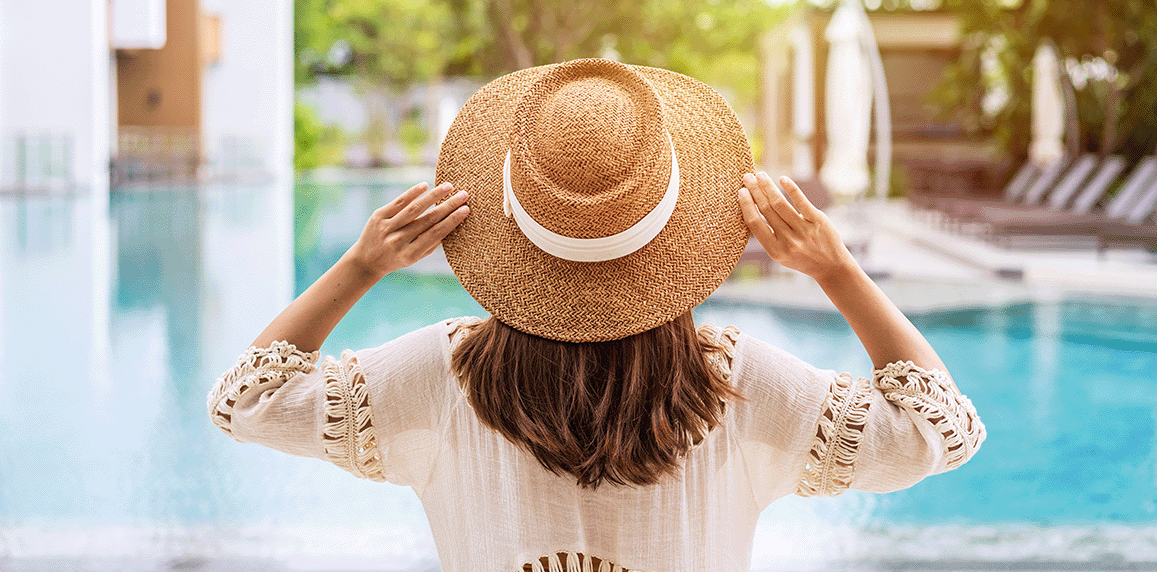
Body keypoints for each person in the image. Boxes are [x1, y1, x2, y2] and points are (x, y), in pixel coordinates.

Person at [208, 58, 985, 572]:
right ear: (678, 231)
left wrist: (359, 266)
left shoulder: (440, 378)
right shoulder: (734, 386)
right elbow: (938, 431)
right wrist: (838, 272)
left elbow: (244, 403)